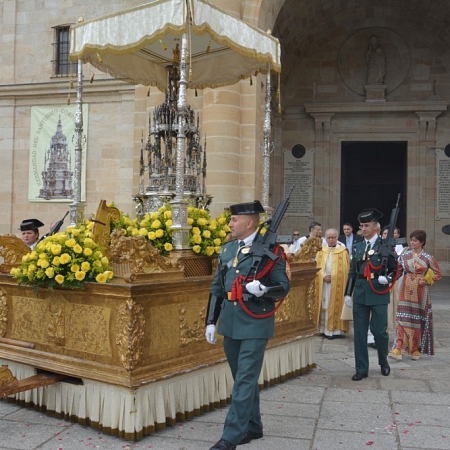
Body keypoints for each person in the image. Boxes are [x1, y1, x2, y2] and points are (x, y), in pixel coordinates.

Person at [205, 200, 290, 450]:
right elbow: (216, 288)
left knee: (243, 379)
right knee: (241, 377)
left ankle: (231, 435)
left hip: (255, 322)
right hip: (231, 323)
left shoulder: (272, 251)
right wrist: (211, 321)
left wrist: (264, 289)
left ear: (249, 222)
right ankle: (253, 426)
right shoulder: (228, 249)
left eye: (234, 220)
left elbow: (283, 286)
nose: (230, 223)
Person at [344, 209, 397, 381]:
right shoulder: (358, 245)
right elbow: (352, 271)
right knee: (359, 333)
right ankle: (361, 368)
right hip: (360, 292)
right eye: (361, 226)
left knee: (379, 331)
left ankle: (383, 362)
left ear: (376, 227)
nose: (363, 228)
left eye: (367, 225)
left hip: (378, 292)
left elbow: (396, 269)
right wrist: (348, 293)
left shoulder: (385, 245)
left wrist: (387, 278)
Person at [389, 230, 441, 361]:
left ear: (422, 242)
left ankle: (415, 348)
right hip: (405, 288)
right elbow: (398, 270)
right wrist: (390, 279)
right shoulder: (405, 255)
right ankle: (398, 347)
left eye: (415, 240)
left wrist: (428, 280)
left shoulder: (428, 258)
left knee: (417, 319)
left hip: (420, 292)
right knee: (402, 317)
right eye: (411, 240)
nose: (412, 242)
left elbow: (437, 273)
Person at [315, 228, 350, 339]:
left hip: (336, 285)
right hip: (323, 283)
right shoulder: (321, 250)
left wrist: (335, 277)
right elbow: (316, 267)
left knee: (334, 304)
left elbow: (346, 270)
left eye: (333, 237)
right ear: (325, 238)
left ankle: (334, 331)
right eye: (329, 237)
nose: (331, 240)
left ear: (337, 238)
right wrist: (323, 276)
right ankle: (322, 329)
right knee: (323, 303)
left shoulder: (343, 251)